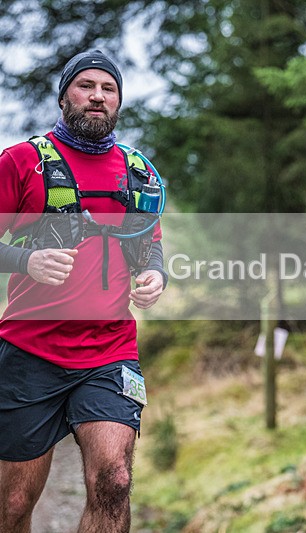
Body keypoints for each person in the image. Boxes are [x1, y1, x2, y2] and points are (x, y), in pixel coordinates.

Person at [0, 49, 167, 533]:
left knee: (114, 481)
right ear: (65, 94)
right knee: (12, 503)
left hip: (109, 352)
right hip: (30, 350)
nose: (97, 96)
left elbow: (149, 246)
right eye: (86, 86)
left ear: (118, 101)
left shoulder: (138, 171)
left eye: (108, 88)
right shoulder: (22, 161)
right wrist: (25, 259)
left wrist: (155, 275)